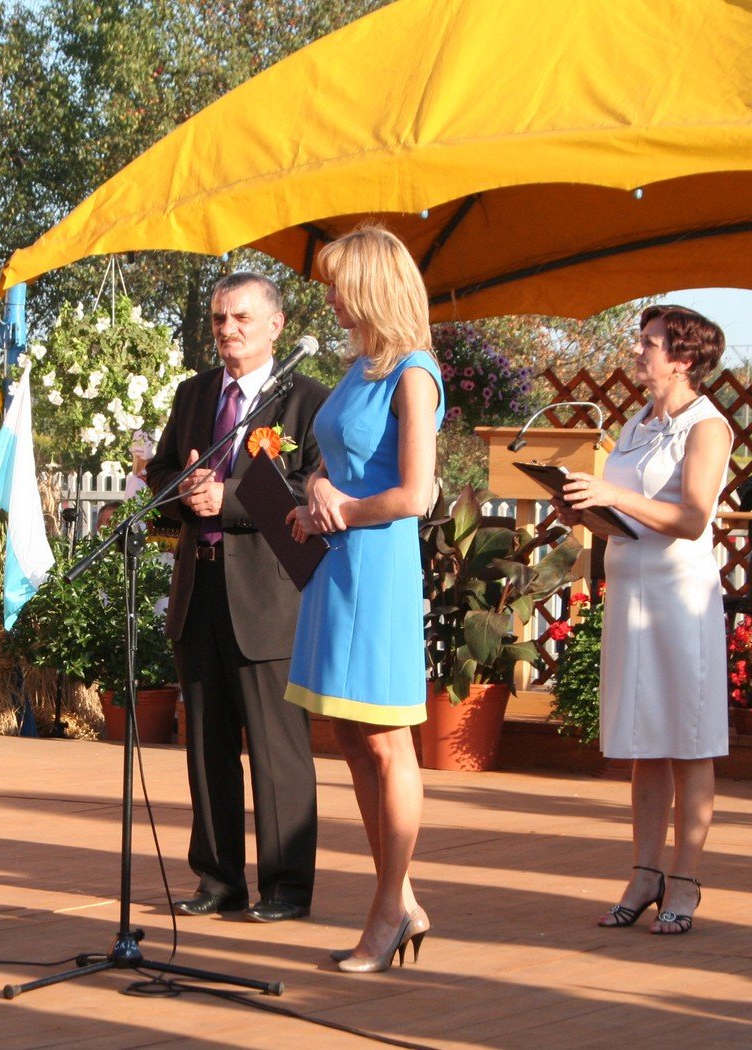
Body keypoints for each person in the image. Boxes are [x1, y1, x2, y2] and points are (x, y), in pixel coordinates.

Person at [284, 224, 444, 974]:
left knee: (385, 740)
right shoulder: (360, 367)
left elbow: (415, 493)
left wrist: (341, 507)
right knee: (349, 737)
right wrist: (317, 490)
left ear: (375, 286)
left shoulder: (413, 372)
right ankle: (398, 899)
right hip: (335, 561)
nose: (330, 298)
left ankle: (387, 909)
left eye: (338, 285)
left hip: (376, 566)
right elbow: (345, 461)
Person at [146, 272, 328, 924]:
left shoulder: (307, 401)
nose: (227, 330)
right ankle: (218, 879)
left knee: (277, 750)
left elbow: (312, 489)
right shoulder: (194, 394)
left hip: (269, 597)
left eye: (241, 319)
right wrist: (182, 486)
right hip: (199, 586)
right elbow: (161, 471)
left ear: (276, 326)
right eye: (220, 319)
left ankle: (286, 887)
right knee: (206, 745)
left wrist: (230, 498)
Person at [554, 303, 733, 936]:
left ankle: (684, 879)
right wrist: (585, 509)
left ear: (683, 358)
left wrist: (614, 494)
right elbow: (628, 517)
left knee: (688, 739)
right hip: (629, 594)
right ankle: (644, 872)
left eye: (649, 343)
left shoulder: (707, 427)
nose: (637, 351)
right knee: (644, 740)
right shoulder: (637, 423)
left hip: (680, 600)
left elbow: (692, 518)